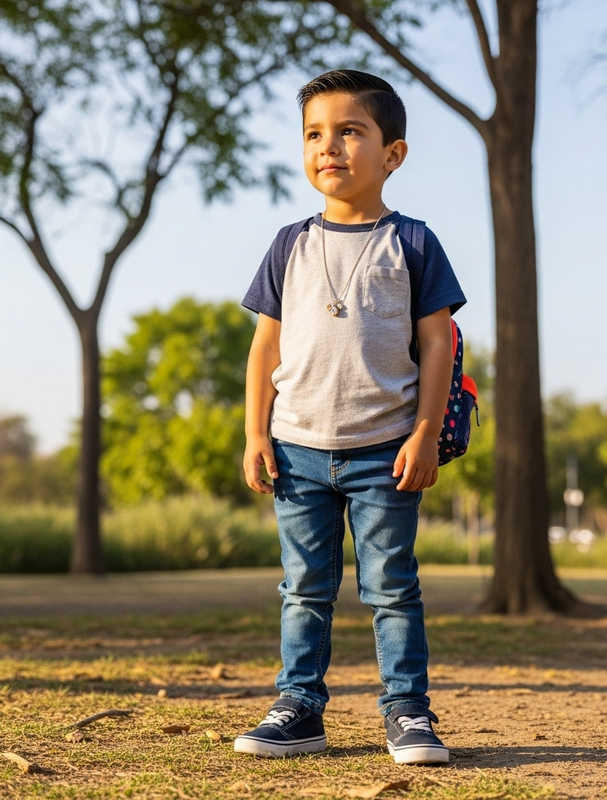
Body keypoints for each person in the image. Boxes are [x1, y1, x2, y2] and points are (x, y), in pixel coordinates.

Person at [235, 69, 466, 765]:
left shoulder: (414, 243)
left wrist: (425, 432)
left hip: (385, 450)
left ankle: (408, 713)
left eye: (349, 131)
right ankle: (299, 707)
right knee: (303, 587)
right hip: (296, 450)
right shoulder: (289, 244)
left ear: (393, 153)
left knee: (392, 587)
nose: (327, 147)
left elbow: (438, 342)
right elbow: (264, 347)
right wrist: (254, 432)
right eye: (313, 133)